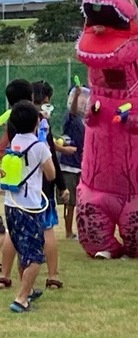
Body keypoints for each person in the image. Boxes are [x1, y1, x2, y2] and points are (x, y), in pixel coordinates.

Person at [2, 100, 55, 312]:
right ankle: (21, 298)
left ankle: (28, 289)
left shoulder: (12, 144)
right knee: (34, 255)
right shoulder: (39, 147)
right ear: (36, 121)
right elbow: (51, 174)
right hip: (29, 207)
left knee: (22, 248)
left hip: (10, 205)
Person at [0, 79, 34, 289]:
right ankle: (9, 273)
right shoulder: (24, 121)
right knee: (15, 231)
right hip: (19, 181)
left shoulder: (5, 117)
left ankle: (4, 272)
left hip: (7, 176)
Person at [59, 85, 89, 239]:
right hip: (69, 165)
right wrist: (77, 95)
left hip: (81, 165)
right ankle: (68, 231)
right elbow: (72, 110)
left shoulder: (85, 120)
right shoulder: (70, 117)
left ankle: (82, 231)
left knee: (81, 201)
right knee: (70, 202)